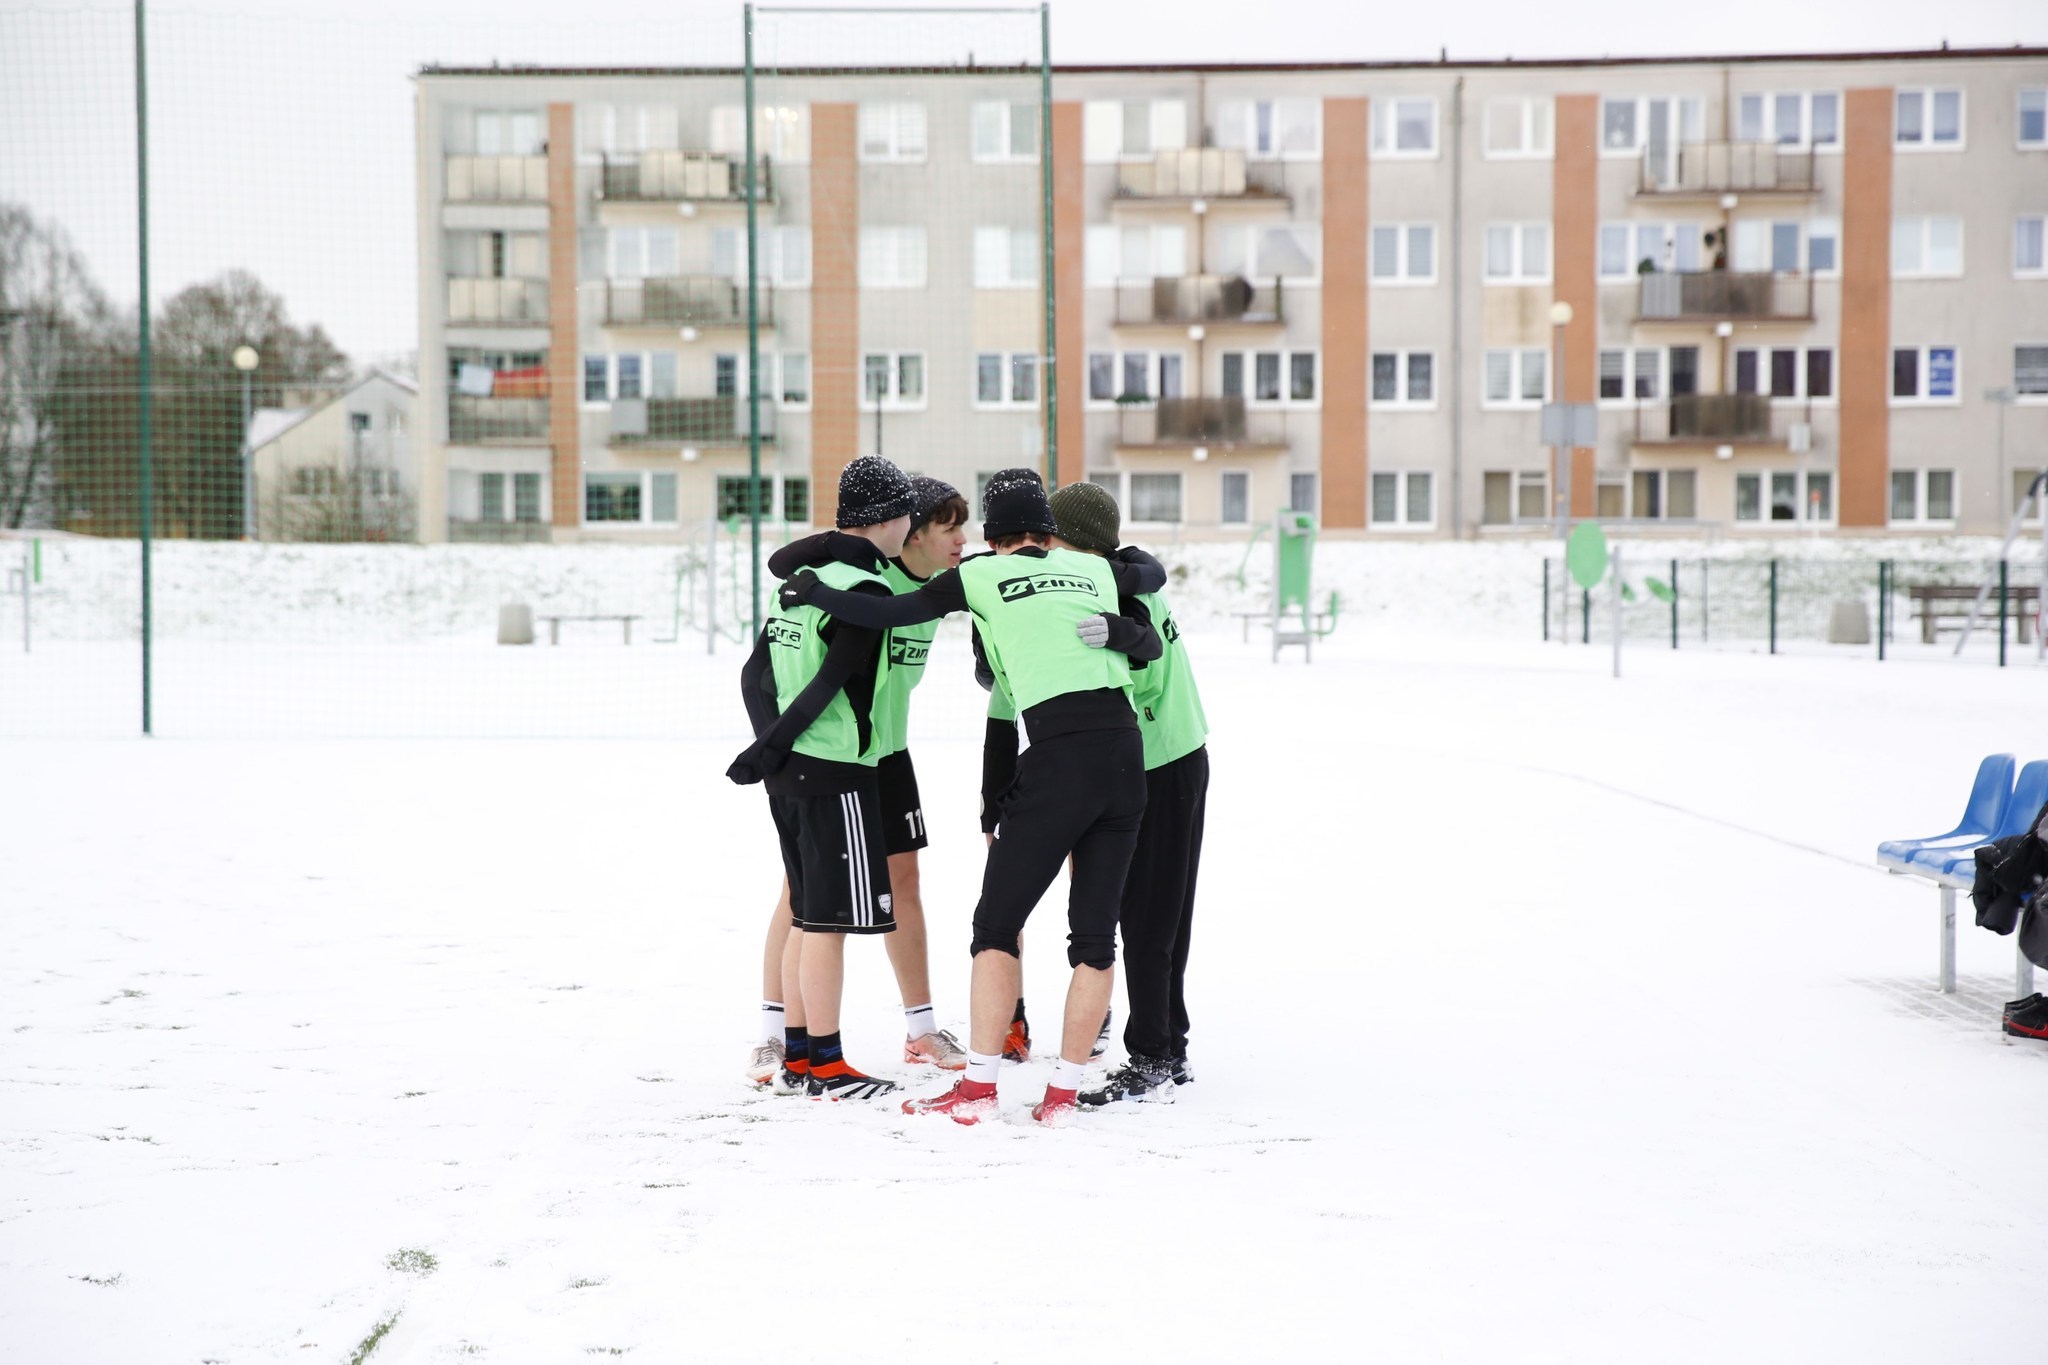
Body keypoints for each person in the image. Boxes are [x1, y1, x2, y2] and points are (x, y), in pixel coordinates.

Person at [779, 469, 1165, 1125]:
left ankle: (980, 1087)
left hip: (1059, 757)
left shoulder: (979, 575)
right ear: (1050, 529)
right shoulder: (1094, 571)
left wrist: (813, 588)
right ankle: (1064, 1093)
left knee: (995, 926)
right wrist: (1122, 632)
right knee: (1096, 938)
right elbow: (1147, 620)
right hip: (1126, 759)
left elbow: (887, 610)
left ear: (990, 532)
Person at [742, 477, 971, 1086]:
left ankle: (921, 1029)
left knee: (905, 880)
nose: (961, 540)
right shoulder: (869, 581)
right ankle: (778, 1036)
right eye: (949, 528)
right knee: (804, 892)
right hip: (834, 754)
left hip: (887, 756)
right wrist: (774, 746)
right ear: (910, 532)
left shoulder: (947, 585)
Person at [727, 454, 914, 1103]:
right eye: (906, 513)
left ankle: (802, 1057)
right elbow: (832, 680)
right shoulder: (865, 591)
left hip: (790, 770)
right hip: (836, 768)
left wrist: (769, 746)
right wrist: (775, 744)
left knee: (807, 914)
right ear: (887, 519)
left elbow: (755, 676)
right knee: (828, 921)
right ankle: (827, 1066)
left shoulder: (801, 582)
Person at [1045, 482, 1209, 1106]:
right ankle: (1169, 1043)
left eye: (1051, 538)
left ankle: (1155, 1054)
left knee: (1151, 915)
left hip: (1163, 759)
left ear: (1074, 541)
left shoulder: (1114, 592)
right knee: (1158, 911)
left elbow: (1129, 671)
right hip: (1175, 753)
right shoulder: (1121, 577)